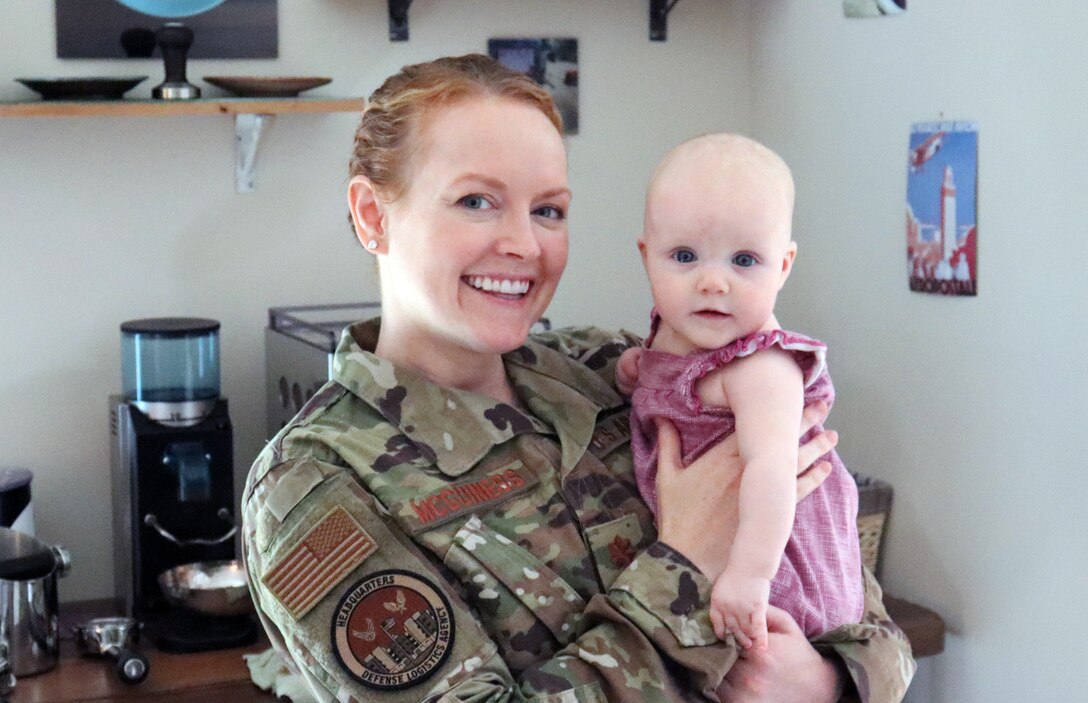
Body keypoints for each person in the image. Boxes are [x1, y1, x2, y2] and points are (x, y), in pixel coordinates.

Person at [241, 54, 914, 703]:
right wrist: (682, 561)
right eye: (476, 201)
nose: (525, 245)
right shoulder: (312, 487)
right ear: (373, 215)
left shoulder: (619, 373)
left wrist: (826, 682)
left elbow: (865, 609)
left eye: (549, 210)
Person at [617, 134, 864, 654]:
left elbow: (772, 471)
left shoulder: (761, 367)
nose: (712, 281)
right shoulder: (677, 328)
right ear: (646, 257)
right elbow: (666, 381)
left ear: (784, 265)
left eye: (745, 260)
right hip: (701, 560)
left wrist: (750, 575)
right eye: (684, 255)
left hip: (774, 560)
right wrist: (638, 371)